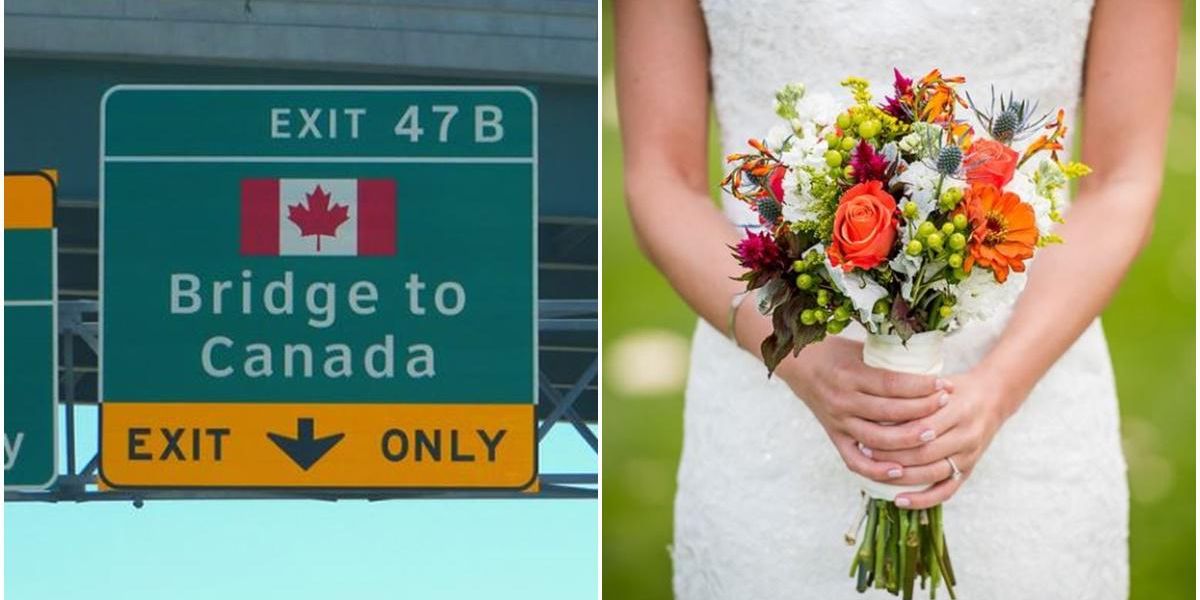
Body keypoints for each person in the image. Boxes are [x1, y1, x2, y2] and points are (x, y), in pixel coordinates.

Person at [613, 0, 1179, 597]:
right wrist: (805, 361)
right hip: (770, 396)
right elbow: (660, 177)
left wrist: (1001, 386)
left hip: (1032, 397)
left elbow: (1122, 178)